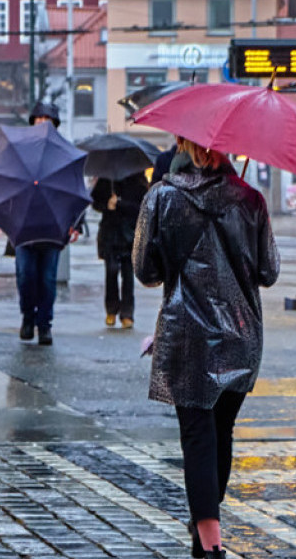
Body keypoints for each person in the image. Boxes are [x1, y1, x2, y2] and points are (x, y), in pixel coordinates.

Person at [134, 136, 278, 559]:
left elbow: (146, 271)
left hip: (188, 338)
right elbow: (268, 271)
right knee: (220, 432)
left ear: (184, 145)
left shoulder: (162, 197)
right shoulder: (251, 200)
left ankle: (211, 546)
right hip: (240, 336)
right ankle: (203, 534)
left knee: (198, 437)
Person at [15, 101, 80, 345]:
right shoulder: (21, 150)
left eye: (47, 119)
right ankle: (27, 318)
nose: (43, 123)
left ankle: (44, 324)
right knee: (26, 276)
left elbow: (74, 190)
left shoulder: (63, 153)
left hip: (52, 227)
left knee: (47, 279)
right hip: (24, 226)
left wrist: (75, 222)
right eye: (38, 119)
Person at [90, 171, 148, 328]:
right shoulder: (106, 179)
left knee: (128, 274)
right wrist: (107, 205)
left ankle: (127, 313)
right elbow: (95, 201)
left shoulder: (138, 181)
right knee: (111, 271)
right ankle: (111, 309)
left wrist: (120, 204)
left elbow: (142, 206)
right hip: (110, 233)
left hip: (129, 233)